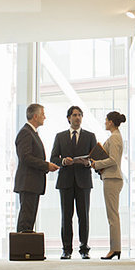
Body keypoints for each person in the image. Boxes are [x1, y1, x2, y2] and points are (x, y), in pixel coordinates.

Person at [50, 106, 97, 260]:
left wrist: (88, 163)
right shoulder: (60, 136)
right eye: (74, 115)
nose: (77, 118)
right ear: (68, 118)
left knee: (83, 216)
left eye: (80, 115)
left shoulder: (90, 136)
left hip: (83, 181)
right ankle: (66, 249)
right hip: (66, 181)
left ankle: (84, 249)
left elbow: (95, 159)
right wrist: (63, 161)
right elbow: (53, 158)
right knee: (66, 216)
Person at [13, 103, 59, 232]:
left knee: (29, 220)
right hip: (28, 183)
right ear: (35, 116)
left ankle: (27, 250)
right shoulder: (26, 133)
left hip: (32, 183)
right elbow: (25, 157)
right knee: (26, 221)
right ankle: (22, 250)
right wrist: (46, 165)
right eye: (43, 114)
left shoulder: (32, 132)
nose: (45, 117)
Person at [90, 111, 126, 260]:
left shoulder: (115, 138)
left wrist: (96, 163)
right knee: (112, 215)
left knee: (113, 216)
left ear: (111, 122)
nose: (105, 122)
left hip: (112, 178)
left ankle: (115, 249)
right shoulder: (114, 137)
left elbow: (113, 160)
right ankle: (115, 248)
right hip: (110, 178)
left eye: (106, 120)